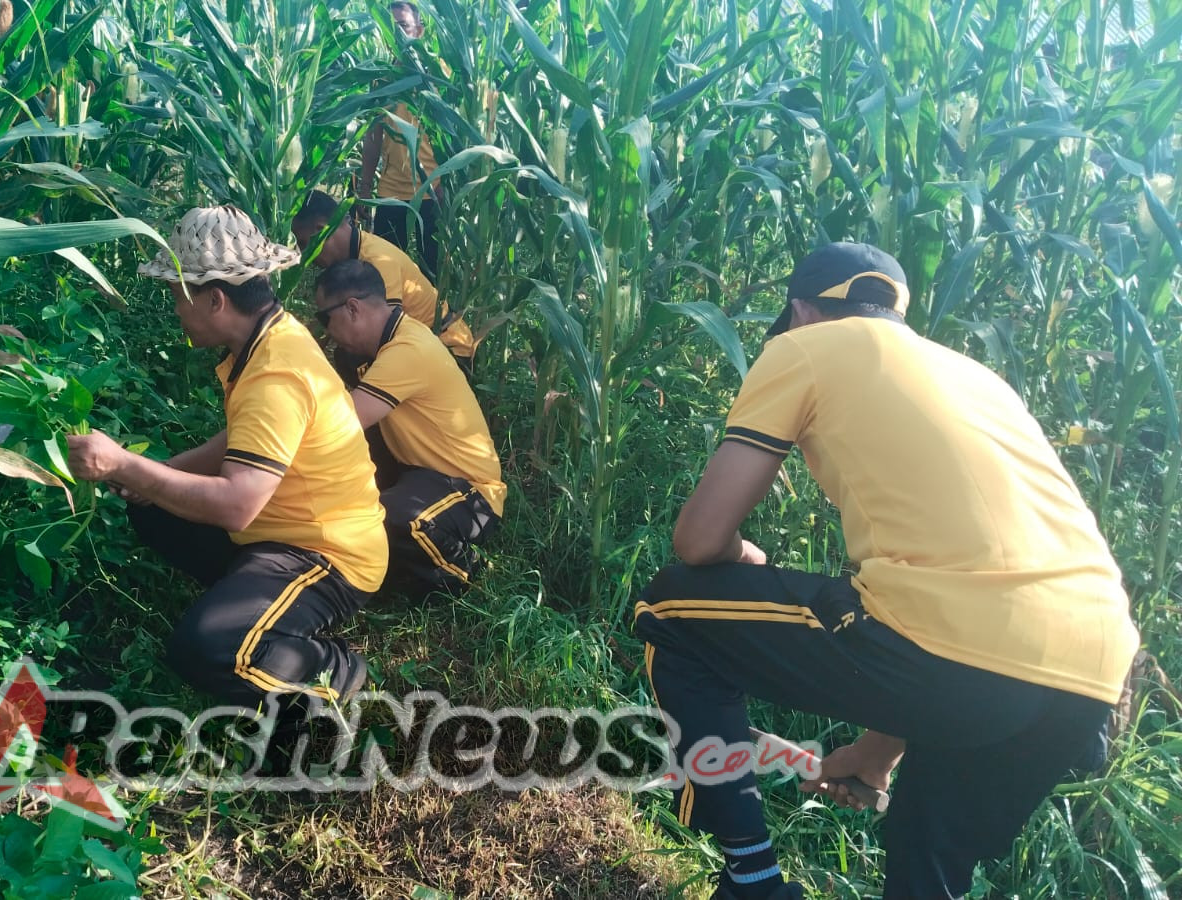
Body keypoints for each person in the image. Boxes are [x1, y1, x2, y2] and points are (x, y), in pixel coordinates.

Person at [630, 242, 1139, 899]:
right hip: (1088, 677)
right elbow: (963, 595)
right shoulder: (976, 378)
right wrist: (875, 755)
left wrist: (740, 555)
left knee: (674, 610)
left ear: (801, 312)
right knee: (927, 854)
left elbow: (698, 540)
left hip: (959, 652)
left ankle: (752, 881)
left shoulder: (805, 346)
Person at [66, 206, 387, 734]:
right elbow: (243, 441)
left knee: (205, 648)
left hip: (328, 554)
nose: (175, 309)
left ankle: (334, 670)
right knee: (155, 508)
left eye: (178, 295)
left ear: (215, 300)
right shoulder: (268, 337)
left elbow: (238, 505)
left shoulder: (276, 370)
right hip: (279, 530)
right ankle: (253, 610)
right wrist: (151, 474)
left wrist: (125, 463)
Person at [314, 259, 504, 595]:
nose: (326, 333)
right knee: (355, 517)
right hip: (417, 473)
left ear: (353, 308)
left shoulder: (408, 350)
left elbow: (341, 423)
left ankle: (470, 574)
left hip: (469, 492)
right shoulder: (376, 348)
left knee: (392, 520)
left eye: (324, 319)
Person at [292, 189, 476, 371]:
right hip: (425, 342)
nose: (303, 254)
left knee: (354, 357)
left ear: (321, 231)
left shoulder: (378, 261)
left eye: (302, 243)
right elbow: (330, 319)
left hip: (450, 349)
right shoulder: (357, 253)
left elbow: (384, 334)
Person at [356, 1, 443, 277]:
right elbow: (373, 138)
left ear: (419, 30)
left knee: (432, 274)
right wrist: (365, 189)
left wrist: (448, 190)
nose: (397, 35)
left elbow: (454, 139)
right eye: (390, 28)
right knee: (387, 274)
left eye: (403, 26)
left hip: (433, 193)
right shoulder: (382, 79)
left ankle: (433, 320)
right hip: (391, 193)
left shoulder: (440, 75)